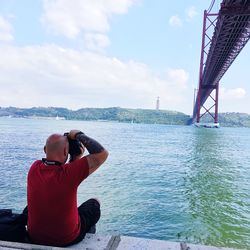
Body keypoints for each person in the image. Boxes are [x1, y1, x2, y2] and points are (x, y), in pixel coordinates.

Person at [27, 129, 108, 247]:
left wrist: (75, 159)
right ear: (66, 151)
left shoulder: (34, 168)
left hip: (34, 236)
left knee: (40, 201)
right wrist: (78, 135)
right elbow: (102, 154)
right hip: (66, 238)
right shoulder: (68, 175)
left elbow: (60, 172)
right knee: (94, 203)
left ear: (45, 149)